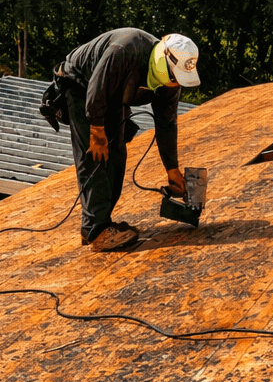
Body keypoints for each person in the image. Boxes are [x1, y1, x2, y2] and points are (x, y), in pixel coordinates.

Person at [57, 29, 200, 250]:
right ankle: (96, 230)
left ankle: (98, 225)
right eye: (174, 78)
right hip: (81, 86)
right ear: (164, 63)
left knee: (116, 155)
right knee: (95, 156)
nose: (175, 84)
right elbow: (96, 89)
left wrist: (172, 169)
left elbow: (167, 124)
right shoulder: (125, 50)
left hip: (111, 95)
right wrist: (97, 130)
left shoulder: (170, 84)